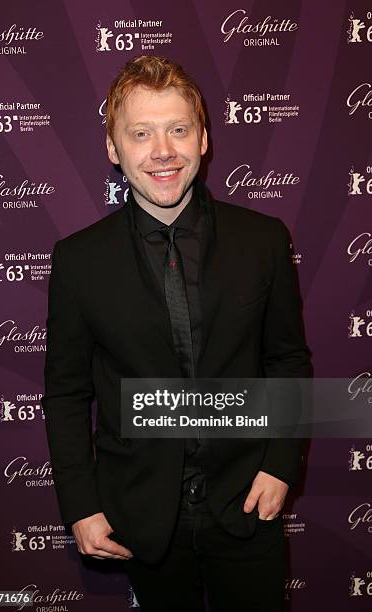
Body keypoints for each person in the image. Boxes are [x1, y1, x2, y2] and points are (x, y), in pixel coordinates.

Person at [42, 55, 313, 611]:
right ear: (113, 149)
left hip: (248, 502)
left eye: (178, 130)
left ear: (204, 138)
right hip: (139, 514)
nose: (162, 151)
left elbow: (288, 360)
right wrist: (80, 505)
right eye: (140, 134)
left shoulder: (262, 240)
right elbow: (67, 392)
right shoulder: (78, 260)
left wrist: (280, 463)